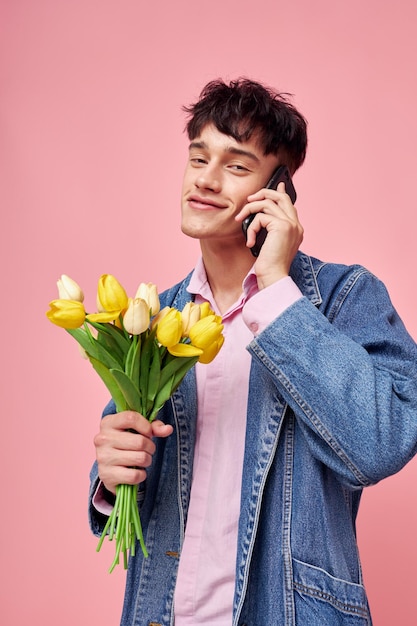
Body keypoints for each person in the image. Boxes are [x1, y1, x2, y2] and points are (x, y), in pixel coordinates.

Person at [89, 78, 417, 626]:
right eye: (199, 158)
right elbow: (128, 487)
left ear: (280, 191)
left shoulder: (340, 299)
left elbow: (381, 443)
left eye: (237, 167)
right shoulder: (152, 316)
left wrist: (276, 291)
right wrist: (109, 476)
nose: (206, 180)